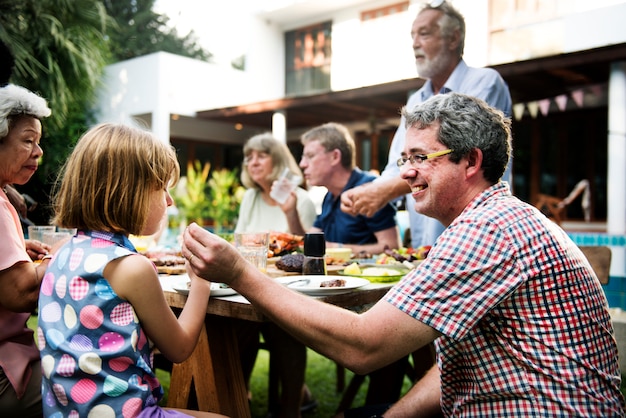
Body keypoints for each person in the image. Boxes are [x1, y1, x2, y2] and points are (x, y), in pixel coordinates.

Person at [182, 93, 625, 417]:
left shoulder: (486, 230)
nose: (405, 172)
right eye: (403, 158)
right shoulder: (493, 219)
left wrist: (239, 273)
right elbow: (451, 369)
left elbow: (364, 346)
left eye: (420, 156)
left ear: (470, 162)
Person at [37, 123, 226, 418]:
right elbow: (179, 349)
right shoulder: (131, 268)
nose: (169, 200)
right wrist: (201, 280)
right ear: (128, 192)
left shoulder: (64, 251)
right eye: (161, 187)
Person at [341, 0, 512, 250]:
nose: (415, 43)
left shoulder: (484, 82)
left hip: (475, 235)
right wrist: (365, 191)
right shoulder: (415, 100)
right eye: (412, 35)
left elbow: (451, 162)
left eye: (424, 33)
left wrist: (383, 192)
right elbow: (397, 167)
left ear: (453, 39)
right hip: (428, 241)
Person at [234, 133, 317, 418]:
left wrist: (290, 211)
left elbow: (308, 249)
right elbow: (239, 242)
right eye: (249, 156)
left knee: (285, 325)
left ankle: (291, 406)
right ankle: (236, 394)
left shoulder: (301, 198)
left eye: (261, 155)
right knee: (236, 322)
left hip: (289, 287)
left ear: (278, 160)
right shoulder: (250, 197)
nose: (252, 161)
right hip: (248, 286)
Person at [0, 83, 52, 417]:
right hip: (4, 373)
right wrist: (76, 249)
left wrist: (18, 249)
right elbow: (20, 293)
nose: (39, 151)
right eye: (28, 140)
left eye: (38, 141)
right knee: (94, 384)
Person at [285, 122, 400, 254]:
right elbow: (308, 244)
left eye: (310, 156)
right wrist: (291, 212)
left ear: (335, 157)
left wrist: (336, 249)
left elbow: (392, 247)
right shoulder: (329, 196)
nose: (302, 164)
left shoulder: (369, 189)